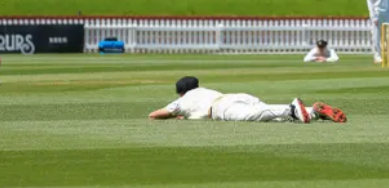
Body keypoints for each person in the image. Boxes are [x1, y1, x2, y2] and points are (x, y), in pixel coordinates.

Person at [148, 76, 347, 123]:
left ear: (181, 92)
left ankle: (292, 108)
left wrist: (174, 114)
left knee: (252, 116)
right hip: (235, 96)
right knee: (270, 116)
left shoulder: (183, 100)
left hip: (220, 108)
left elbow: (155, 114)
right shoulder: (203, 90)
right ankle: (313, 111)